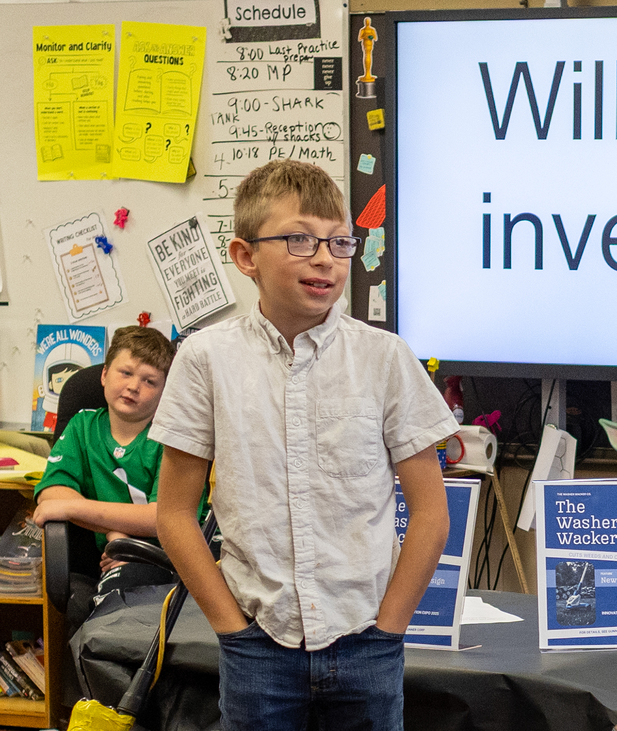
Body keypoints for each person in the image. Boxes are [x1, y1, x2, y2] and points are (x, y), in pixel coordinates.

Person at [150, 159, 458, 731]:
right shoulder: (205, 359)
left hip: (367, 641)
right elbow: (174, 514)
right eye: (299, 239)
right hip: (257, 646)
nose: (325, 258)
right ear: (246, 257)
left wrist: (390, 627)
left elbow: (431, 514)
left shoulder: (384, 357)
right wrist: (231, 629)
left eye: (340, 242)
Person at [32, 326, 176, 583]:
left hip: (172, 562)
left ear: (164, 391)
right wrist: (116, 535)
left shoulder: (171, 438)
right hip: (112, 559)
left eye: (149, 381)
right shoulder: (82, 426)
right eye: (126, 373)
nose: (133, 386)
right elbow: (51, 492)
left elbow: (163, 518)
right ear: (105, 375)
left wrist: (75, 509)